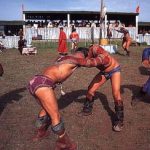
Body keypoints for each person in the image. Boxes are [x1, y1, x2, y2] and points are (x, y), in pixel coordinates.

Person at [28, 48, 89, 149]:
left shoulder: (62, 58)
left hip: (35, 81)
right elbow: (91, 62)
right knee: (55, 116)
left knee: (45, 108)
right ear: (83, 55)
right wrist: (99, 55)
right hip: (43, 84)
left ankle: (40, 132)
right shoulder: (77, 60)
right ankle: (64, 143)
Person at [58, 44, 124, 132]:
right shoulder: (85, 57)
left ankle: (119, 120)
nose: (79, 57)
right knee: (90, 90)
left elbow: (98, 61)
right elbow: (74, 66)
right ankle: (87, 109)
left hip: (114, 70)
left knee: (116, 94)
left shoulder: (95, 49)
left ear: (84, 53)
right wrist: (61, 76)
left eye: (80, 56)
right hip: (104, 72)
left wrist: (75, 60)